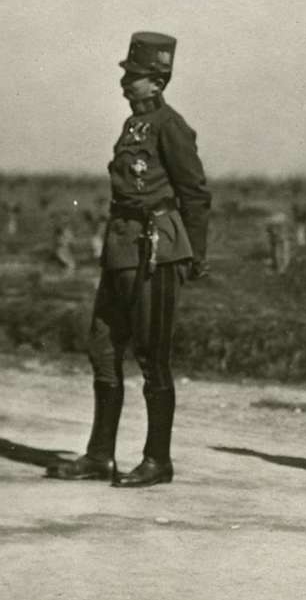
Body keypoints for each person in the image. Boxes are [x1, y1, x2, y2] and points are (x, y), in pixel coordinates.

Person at [50, 32, 212, 488]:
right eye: (126, 74)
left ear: (158, 81)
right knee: (102, 347)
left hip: (154, 251)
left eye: (134, 76)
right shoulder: (132, 125)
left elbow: (195, 193)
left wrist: (194, 255)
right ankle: (99, 455)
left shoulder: (170, 126)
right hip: (121, 249)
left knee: (152, 355)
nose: (125, 82)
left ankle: (157, 460)